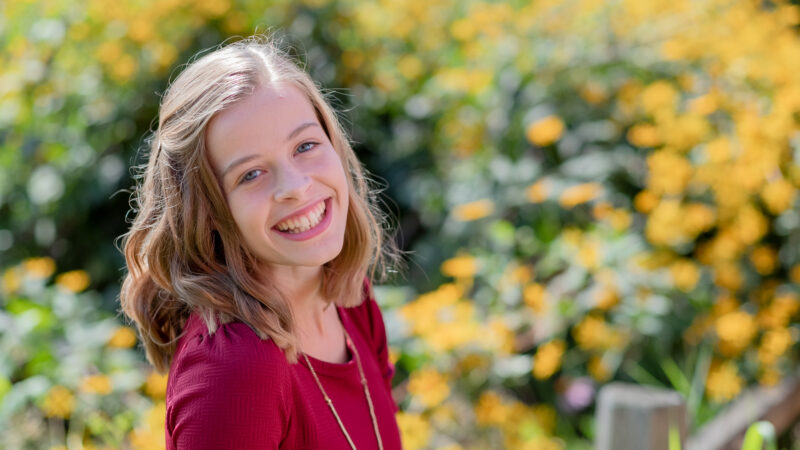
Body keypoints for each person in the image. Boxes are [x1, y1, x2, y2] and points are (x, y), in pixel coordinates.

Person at [118, 34, 405, 449]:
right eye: (250, 174)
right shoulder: (236, 368)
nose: (295, 186)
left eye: (305, 146)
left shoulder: (348, 300)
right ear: (210, 211)